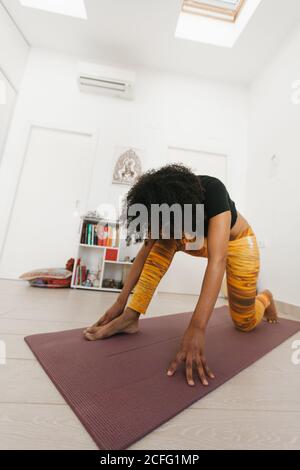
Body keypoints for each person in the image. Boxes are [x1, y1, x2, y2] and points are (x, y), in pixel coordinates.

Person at [84, 164, 278, 386]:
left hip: (238, 242)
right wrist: (120, 302)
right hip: (203, 241)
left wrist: (197, 328)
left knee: (245, 323)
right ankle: (130, 318)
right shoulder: (164, 202)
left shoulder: (213, 190)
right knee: (163, 243)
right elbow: (146, 250)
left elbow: (217, 261)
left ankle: (266, 298)